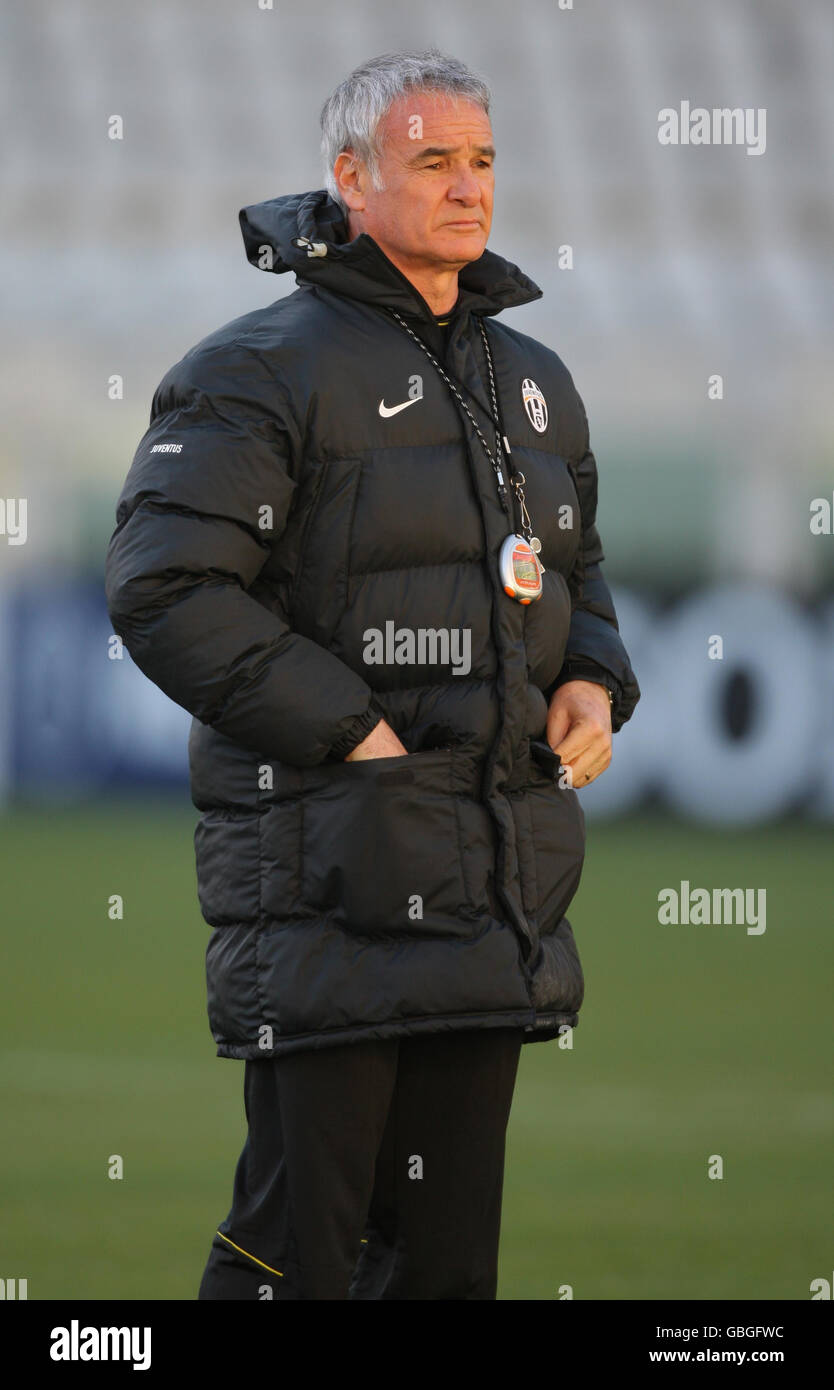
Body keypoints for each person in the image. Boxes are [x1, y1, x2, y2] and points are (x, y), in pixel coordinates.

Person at [104, 47, 640, 1301]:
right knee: (296, 1257)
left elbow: (579, 572)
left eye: (484, 160)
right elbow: (164, 587)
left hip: (492, 896)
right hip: (328, 880)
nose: (469, 188)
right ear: (349, 178)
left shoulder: (535, 381)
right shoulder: (258, 368)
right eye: (432, 160)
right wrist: (352, 735)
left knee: (446, 1270)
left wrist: (597, 682)